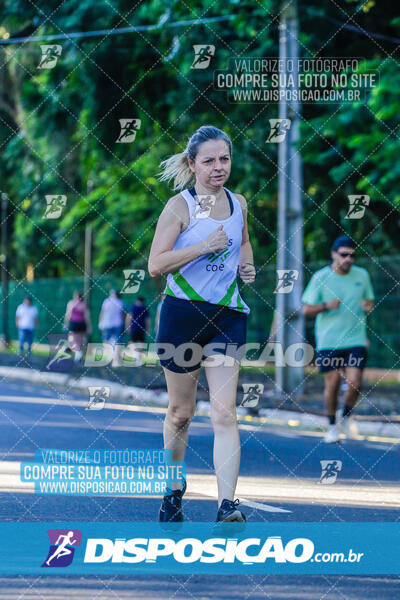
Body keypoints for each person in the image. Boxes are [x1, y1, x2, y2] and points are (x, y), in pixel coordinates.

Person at [148, 125, 256, 523]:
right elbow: (156, 264)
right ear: (192, 164)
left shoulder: (238, 202)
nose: (218, 168)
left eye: (224, 159)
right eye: (209, 161)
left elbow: (243, 240)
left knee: (225, 413)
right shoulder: (179, 207)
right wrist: (201, 247)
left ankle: (227, 504)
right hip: (182, 315)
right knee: (180, 413)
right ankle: (173, 490)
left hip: (227, 316)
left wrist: (246, 263)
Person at [302, 235, 375, 443]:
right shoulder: (320, 278)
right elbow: (306, 309)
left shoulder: (362, 275)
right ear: (334, 254)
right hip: (329, 340)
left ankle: (347, 415)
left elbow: (369, 301)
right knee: (332, 384)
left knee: (355, 382)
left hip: (356, 339)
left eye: (352, 255)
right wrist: (326, 306)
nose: (348, 259)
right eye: (344, 255)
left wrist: (368, 306)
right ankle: (332, 426)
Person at [64, 291, 91, 362]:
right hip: (81, 323)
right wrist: (88, 327)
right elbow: (87, 317)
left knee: (73, 338)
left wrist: (65, 323)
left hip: (74, 323)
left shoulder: (71, 303)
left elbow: (68, 314)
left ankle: (77, 352)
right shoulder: (84, 304)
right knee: (78, 340)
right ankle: (78, 353)